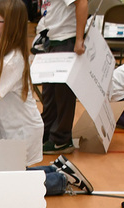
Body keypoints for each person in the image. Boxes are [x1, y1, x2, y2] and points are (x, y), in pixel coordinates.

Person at [0, 0, 93, 195]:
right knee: (13, 175)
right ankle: (55, 169)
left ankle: (62, 180)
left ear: (9, 25)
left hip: (22, 131)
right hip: (11, 129)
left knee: (15, 185)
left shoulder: (12, 61)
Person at [35, 0, 88, 154]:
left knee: (63, 93)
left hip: (66, 39)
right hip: (53, 39)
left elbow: (82, 3)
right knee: (49, 92)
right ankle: (47, 132)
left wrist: (79, 39)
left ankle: (61, 139)